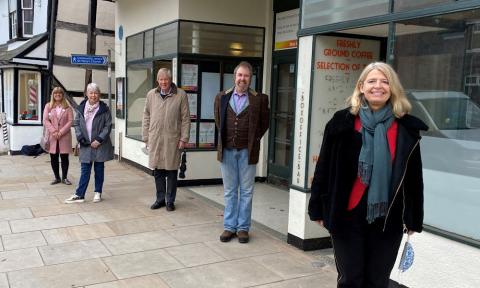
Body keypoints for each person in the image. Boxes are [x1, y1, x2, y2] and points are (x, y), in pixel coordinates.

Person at [308, 62, 427, 288]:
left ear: (392, 88)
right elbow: (324, 167)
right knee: (350, 280)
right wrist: (317, 207)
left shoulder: (406, 129)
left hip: (388, 219)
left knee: (378, 281)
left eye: (385, 81)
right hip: (346, 216)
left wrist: (413, 216)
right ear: (361, 87)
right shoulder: (341, 123)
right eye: (372, 81)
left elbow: (414, 179)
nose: (378, 86)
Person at [214, 61, 270, 244]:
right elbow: (218, 120)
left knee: (246, 191)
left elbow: (264, 124)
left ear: (250, 78)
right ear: (234, 77)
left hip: (248, 151)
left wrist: (252, 140)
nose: (242, 79)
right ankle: (229, 227)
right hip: (227, 151)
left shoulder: (260, 99)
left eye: (246, 76)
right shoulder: (222, 97)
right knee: (230, 191)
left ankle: (243, 228)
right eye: (240, 75)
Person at [142, 68, 190, 212]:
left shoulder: (181, 95)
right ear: (157, 80)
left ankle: (170, 200)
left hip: (172, 140)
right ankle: (160, 199)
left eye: (166, 79)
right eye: (161, 79)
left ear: (171, 80)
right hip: (155, 138)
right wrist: (146, 136)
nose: (163, 82)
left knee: (171, 171)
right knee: (158, 172)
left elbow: (186, 119)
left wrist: (184, 138)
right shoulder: (151, 94)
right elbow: (146, 115)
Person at [65, 83, 113, 204]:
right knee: (85, 169)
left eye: (96, 93)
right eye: (91, 93)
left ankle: (98, 192)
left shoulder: (104, 109)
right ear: (87, 94)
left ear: (99, 95)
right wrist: (79, 136)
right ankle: (80, 194)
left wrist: (99, 139)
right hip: (86, 144)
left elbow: (107, 126)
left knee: (99, 169)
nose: (93, 95)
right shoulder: (81, 108)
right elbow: (76, 123)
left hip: (99, 144)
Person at [43, 87, 74, 185]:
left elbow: (70, 121)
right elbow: (45, 120)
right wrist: (54, 131)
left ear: (62, 95)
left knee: (64, 157)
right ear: (53, 95)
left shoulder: (68, 107)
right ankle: (57, 177)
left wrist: (60, 132)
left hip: (64, 136)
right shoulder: (48, 106)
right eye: (55, 93)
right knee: (53, 157)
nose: (57, 94)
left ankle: (64, 178)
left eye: (60, 93)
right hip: (53, 136)